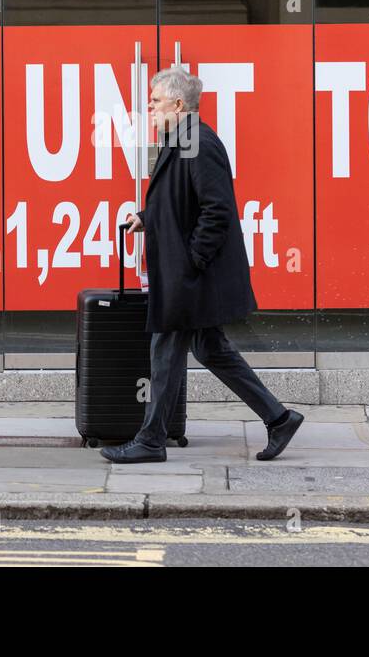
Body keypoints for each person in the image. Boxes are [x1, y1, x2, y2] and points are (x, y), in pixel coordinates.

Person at [100, 66, 304, 464]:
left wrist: (192, 261)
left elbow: (217, 210)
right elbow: (182, 200)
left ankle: (151, 439)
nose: (150, 109)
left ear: (178, 105)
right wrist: (148, 216)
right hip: (187, 273)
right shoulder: (182, 139)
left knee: (164, 349)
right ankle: (279, 418)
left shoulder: (199, 142)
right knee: (212, 350)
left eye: (155, 102)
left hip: (189, 276)